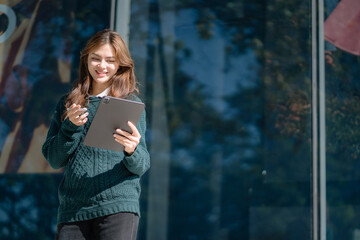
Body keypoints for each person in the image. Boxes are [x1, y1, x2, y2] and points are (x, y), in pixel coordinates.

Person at [42, 29, 150, 240]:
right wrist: (70, 126)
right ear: (86, 60)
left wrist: (132, 149)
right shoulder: (68, 104)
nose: (102, 66)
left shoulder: (131, 105)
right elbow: (54, 160)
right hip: (73, 210)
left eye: (110, 60)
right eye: (96, 59)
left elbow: (142, 165)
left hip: (117, 206)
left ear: (120, 64)